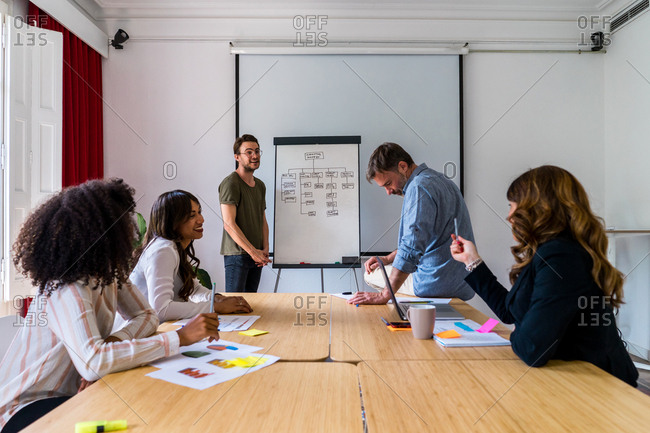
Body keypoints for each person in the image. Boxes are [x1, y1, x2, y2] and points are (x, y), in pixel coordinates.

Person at [0, 179, 220, 432]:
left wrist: (114, 343)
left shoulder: (108, 272)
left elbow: (147, 316)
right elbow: (93, 362)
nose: (129, 232)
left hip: (73, 393)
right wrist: (178, 339)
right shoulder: (67, 285)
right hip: (25, 407)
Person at [450, 166, 638, 387]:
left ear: (537, 208)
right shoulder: (548, 251)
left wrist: (521, 331)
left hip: (598, 385)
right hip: (570, 378)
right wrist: (472, 261)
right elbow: (510, 312)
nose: (509, 216)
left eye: (512, 206)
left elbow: (531, 348)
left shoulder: (561, 255)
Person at [349, 142, 475, 305]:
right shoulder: (442, 180)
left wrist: (385, 295)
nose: (388, 192)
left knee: (370, 274)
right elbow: (424, 239)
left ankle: (404, 303)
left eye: (388, 183)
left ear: (402, 166)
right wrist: (388, 258)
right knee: (392, 268)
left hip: (434, 284)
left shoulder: (418, 187)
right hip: (465, 283)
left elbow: (411, 246)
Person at [129, 190, 252, 323]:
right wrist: (214, 307)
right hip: (138, 336)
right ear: (173, 221)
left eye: (199, 212)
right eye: (192, 216)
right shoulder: (162, 251)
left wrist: (216, 298)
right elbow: (161, 311)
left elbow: (193, 289)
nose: (201, 220)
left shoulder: (175, 247)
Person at [219, 134, 271, 292]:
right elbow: (229, 223)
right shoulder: (230, 183)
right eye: (249, 152)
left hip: (256, 254)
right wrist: (252, 251)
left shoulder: (260, 185)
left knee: (250, 306)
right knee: (234, 306)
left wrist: (265, 248)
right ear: (237, 157)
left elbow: (262, 219)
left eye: (257, 151)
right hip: (237, 255)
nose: (255, 156)